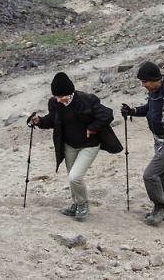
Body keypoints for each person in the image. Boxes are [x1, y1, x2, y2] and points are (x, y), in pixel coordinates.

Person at [28, 72, 118, 221]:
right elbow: (52, 120)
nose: (59, 99)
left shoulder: (86, 100)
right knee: (71, 178)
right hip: (69, 145)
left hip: (90, 145)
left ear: (70, 92)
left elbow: (107, 114)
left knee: (75, 177)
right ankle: (76, 204)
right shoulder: (55, 103)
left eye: (62, 96)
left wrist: (92, 127)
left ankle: (83, 204)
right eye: (56, 96)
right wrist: (39, 121)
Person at [119, 61, 164, 226]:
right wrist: (133, 111)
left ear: (155, 79)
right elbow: (150, 108)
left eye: (145, 82)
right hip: (159, 140)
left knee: (149, 175)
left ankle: (160, 207)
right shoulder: (156, 90)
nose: (143, 85)